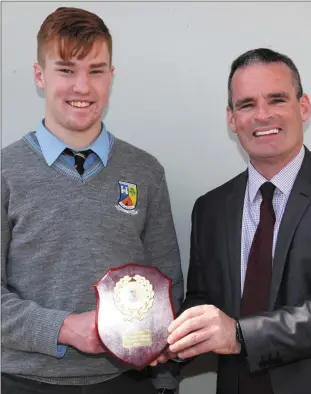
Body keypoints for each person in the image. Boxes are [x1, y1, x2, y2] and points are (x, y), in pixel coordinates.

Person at [1, 7, 183, 394]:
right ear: (40, 75)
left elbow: (169, 286)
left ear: (111, 77)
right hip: (25, 381)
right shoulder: (5, 171)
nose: (82, 87)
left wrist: (165, 380)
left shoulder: (146, 171)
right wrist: (65, 328)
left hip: (127, 381)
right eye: (66, 69)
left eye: (96, 70)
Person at [164, 48, 311, 393]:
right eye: (246, 104)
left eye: (277, 99)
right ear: (231, 119)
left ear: (303, 107)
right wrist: (162, 340)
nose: (262, 115)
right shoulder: (210, 209)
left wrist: (241, 335)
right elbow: (203, 299)